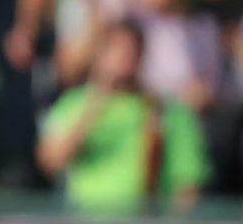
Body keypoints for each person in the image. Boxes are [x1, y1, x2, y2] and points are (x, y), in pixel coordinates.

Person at [34, 17, 210, 213]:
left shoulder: (168, 111)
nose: (124, 58)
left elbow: (187, 186)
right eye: (115, 50)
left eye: (132, 50)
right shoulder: (72, 105)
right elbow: (50, 160)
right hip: (86, 223)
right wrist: (94, 107)